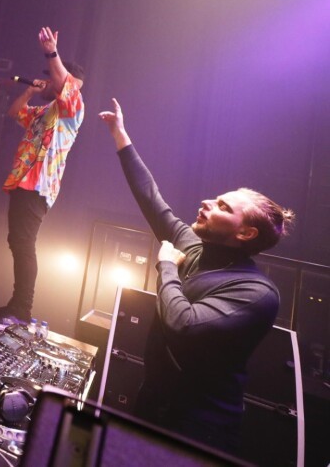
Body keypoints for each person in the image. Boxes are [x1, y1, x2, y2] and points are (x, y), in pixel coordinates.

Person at [98, 98, 291, 453]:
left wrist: (167, 266)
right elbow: (152, 200)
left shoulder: (256, 291)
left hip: (198, 428)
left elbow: (184, 325)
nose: (206, 202)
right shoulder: (195, 246)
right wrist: (120, 135)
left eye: (223, 207)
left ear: (245, 233)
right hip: (154, 403)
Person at [0, 27, 85, 324]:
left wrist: (51, 53)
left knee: (23, 243)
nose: (46, 80)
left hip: (39, 187)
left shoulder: (72, 108)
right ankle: (17, 305)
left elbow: (66, 83)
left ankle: (22, 308)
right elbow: (15, 113)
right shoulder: (44, 111)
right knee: (17, 241)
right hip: (23, 182)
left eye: (51, 76)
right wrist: (29, 92)